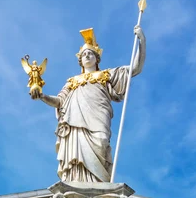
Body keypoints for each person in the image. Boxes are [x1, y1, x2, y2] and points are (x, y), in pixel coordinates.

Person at [31, 27, 146, 183]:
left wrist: (141, 40)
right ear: (80, 60)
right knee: (76, 157)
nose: (87, 56)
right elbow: (59, 101)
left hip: (98, 118)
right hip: (74, 123)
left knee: (101, 141)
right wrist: (42, 96)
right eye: (84, 54)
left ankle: (100, 185)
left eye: (90, 53)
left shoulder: (106, 75)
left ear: (97, 58)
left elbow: (135, 68)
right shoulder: (72, 82)